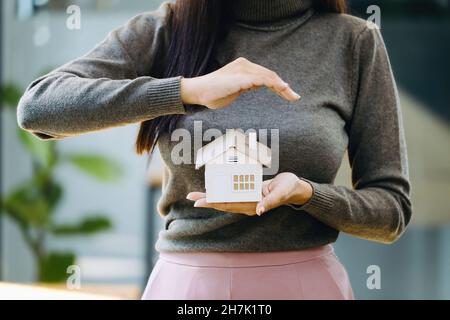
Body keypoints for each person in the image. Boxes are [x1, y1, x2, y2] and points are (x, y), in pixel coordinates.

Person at [17, 0, 411, 300]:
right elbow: (39, 107)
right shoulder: (169, 27)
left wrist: (306, 194)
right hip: (189, 288)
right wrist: (187, 90)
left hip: (304, 283)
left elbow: (390, 211)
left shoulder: (354, 41)